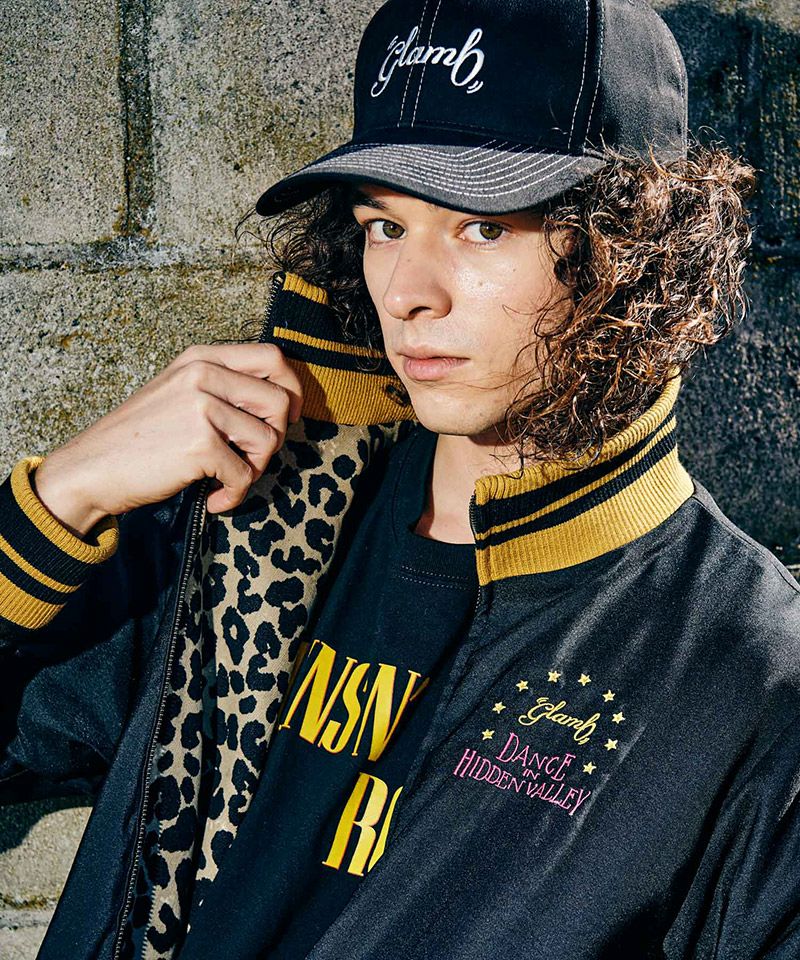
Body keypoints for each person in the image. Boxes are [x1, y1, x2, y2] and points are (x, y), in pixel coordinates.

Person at [0, 0, 798, 958]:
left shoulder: (747, 676)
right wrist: (62, 497)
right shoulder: (239, 523)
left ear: (635, 253)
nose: (409, 292)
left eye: (483, 229)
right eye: (385, 225)